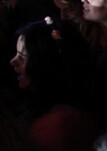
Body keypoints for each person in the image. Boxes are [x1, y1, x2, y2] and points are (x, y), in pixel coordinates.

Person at [10, 18, 98, 150]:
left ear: (47, 65)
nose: (12, 62)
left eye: (22, 57)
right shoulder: (42, 106)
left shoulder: (59, 126)